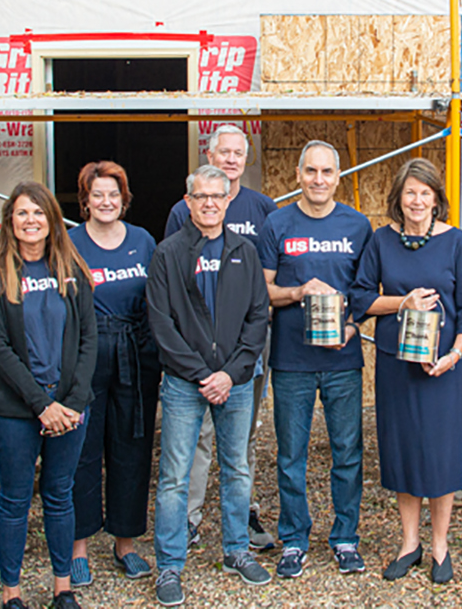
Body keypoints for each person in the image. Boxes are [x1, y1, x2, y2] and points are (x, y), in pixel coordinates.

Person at [350, 158, 462, 586]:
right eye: (410, 192)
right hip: (398, 365)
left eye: (425, 192)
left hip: (444, 369)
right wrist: (402, 302)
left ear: (436, 198)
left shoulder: (457, 242)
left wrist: (456, 355)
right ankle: (410, 543)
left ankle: (441, 545)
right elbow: (361, 298)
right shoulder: (381, 241)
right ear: (398, 198)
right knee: (403, 453)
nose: (417, 200)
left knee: (441, 456)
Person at [148, 165, 273, 607]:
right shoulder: (168, 253)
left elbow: (259, 316)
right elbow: (161, 323)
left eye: (217, 197)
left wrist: (232, 372)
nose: (209, 204)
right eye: (201, 197)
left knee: (237, 469)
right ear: (188, 202)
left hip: (235, 382)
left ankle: (236, 550)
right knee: (175, 476)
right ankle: (170, 564)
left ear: (227, 201)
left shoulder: (246, 250)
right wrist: (202, 374)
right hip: (186, 383)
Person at [0, 182, 98, 609]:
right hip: (15, 410)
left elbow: (88, 341)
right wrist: (41, 405)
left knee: (59, 494)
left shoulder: (72, 269)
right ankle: (12, 593)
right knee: (13, 499)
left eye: (39, 213)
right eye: (22, 213)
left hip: (67, 407)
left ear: (51, 220)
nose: (31, 221)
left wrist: (74, 402)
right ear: (10, 220)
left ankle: (62, 588)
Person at [258, 141, 373, 578]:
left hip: (343, 358)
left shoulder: (358, 225)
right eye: (311, 171)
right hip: (292, 359)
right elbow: (262, 290)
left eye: (327, 172)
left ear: (338, 177)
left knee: (347, 451)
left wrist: (353, 325)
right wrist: (297, 292)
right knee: (291, 454)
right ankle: (294, 539)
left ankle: (345, 538)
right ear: (298, 174)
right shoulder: (278, 222)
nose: (319, 180)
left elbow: (366, 291)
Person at [163, 125, 279, 552]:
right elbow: (172, 279)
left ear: (246, 160)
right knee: (197, 439)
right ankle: (190, 518)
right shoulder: (183, 210)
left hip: (245, 347)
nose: (230, 159)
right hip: (195, 348)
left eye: (237, 153)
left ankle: (243, 516)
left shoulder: (264, 208)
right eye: (223, 152)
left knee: (243, 434)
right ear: (209, 153)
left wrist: (244, 353)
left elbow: (266, 279)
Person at [68, 162, 160, 585]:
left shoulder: (142, 241)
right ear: (85, 201)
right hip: (85, 355)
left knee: (132, 447)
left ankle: (125, 542)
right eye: (97, 195)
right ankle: (78, 547)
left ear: (124, 200)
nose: (106, 202)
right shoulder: (68, 244)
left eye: (114, 195)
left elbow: (158, 301)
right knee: (82, 449)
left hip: (134, 353)